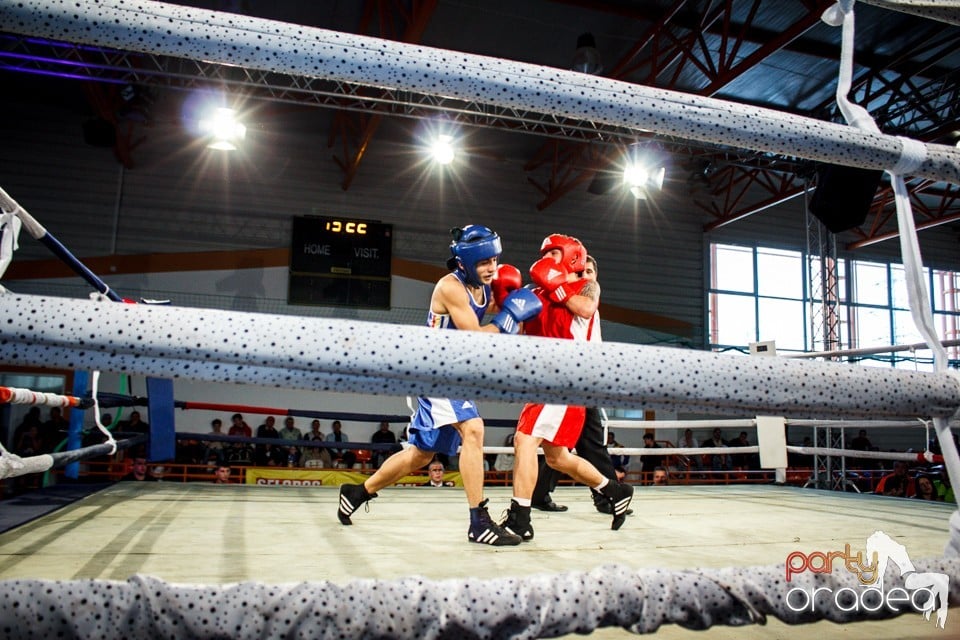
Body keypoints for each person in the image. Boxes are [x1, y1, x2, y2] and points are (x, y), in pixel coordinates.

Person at [337, 224, 541, 546]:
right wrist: (511, 318)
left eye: (495, 260)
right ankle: (479, 522)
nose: (492, 268)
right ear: (466, 262)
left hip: (454, 374)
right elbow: (475, 334)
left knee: (420, 455)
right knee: (473, 429)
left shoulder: (484, 286)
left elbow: (489, 315)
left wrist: (517, 299)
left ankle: (357, 492)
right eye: (485, 262)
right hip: (435, 371)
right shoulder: (450, 287)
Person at [501, 234, 634, 541]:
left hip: (566, 377)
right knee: (557, 457)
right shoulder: (537, 292)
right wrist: (505, 297)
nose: (548, 257)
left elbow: (585, 309)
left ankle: (520, 518)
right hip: (544, 378)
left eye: (555, 252)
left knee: (524, 441)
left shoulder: (585, 286)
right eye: (545, 252)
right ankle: (615, 490)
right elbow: (517, 330)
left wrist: (554, 283)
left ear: (572, 256)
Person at [529, 256, 624, 515]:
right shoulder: (561, 300)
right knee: (566, 441)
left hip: (586, 378)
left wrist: (555, 286)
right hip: (564, 378)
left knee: (567, 442)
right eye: (580, 271)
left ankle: (540, 494)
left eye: (589, 271)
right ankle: (609, 497)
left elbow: (586, 307)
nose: (585, 275)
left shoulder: (589, 293)